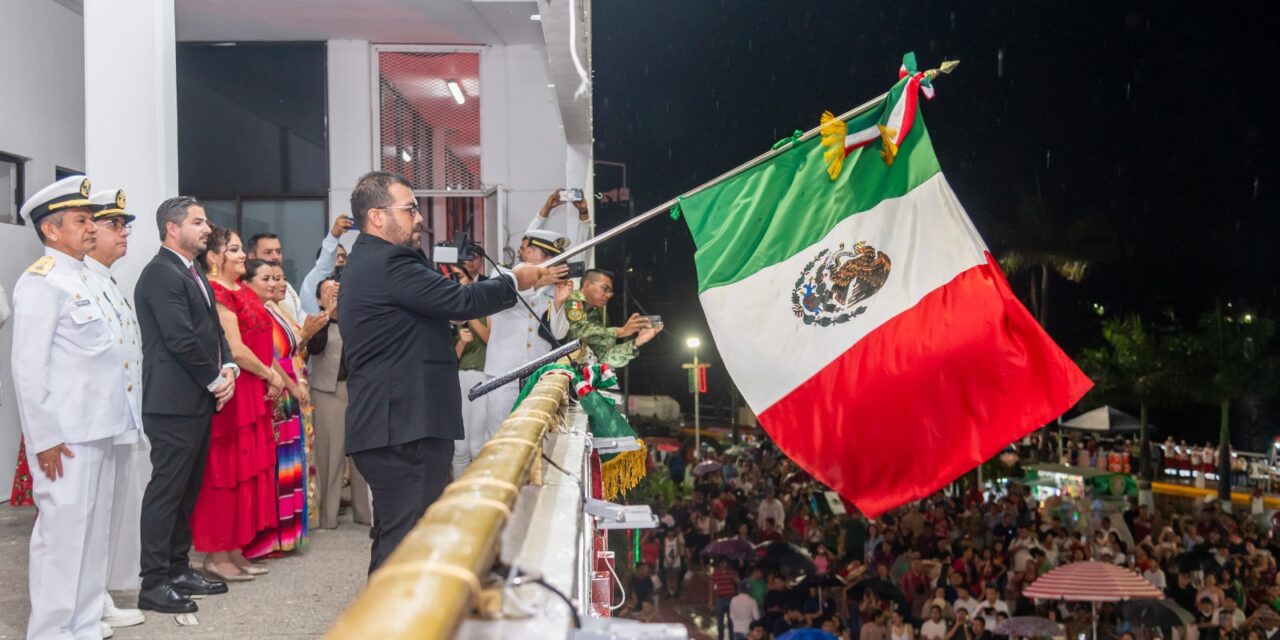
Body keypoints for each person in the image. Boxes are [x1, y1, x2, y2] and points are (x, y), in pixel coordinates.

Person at [338, 171, 563, 573]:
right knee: (407, 544)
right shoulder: (390, 261)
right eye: (409, 209)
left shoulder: (371, 260)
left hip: (396, 423)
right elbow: (460, 300)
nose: (419, 217)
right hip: (403, 427)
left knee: (399, 536)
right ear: (376, 216)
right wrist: (516, 279)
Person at [9, 176, 125, 640]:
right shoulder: (42, 282)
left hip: (100, 426)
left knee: (92, 535)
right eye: (81, 220)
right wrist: (45, 438)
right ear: (51, 230)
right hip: (67, 436)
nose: (92, 227)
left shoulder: (84, 278)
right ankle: (52, 630)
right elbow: (28, 368)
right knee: (61, 537)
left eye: (91, 219)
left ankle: (83, 622)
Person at [135, 195, 234, 614]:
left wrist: (228, 365)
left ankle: (178, 568)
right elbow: (180, 338)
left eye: (205, 221)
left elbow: (212, 329)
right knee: (167, 491)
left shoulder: (191, 271)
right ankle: (153, 581)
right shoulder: (161, 273)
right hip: (172, 402)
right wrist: (214, 380)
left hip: (195, 400)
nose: (207, 229)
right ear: (172, 228)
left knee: (187, 490)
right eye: (198, 222)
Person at [189, 227, 285, 580]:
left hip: (254, 389)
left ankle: (235, 548)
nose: (243, 254)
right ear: (214, 258)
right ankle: (217, 554)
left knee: (248, 473)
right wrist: (270, 375)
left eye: (241, 248)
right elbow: (237, 349)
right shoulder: (217, 293)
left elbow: (262, 343)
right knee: (226, 474)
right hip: (235, 393)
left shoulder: (243, 289)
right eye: (233, 249)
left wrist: (274, 376)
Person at [84, 189, 148, 630]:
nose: (123, 233)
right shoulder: (77, 282)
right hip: (90, 422)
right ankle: (82, 606)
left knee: (106, 515)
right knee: (85, 520)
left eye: (125, 226)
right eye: (114, 225)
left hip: (118, 419)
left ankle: (97, 596)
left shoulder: (106, 281)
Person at [245, 260, 311, 554]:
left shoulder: (273, 308)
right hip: (275, 388)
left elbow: (292, 350)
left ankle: (288, 534)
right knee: (276, 463)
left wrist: (299, 381)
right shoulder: (253, 312)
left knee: (289, 461)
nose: (274, 284)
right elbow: (269, 357)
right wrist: (292, 386)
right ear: (248, 283)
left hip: (289, 386)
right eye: (266, 278)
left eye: (277, 278)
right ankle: (271, 536)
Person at [307, 277, 371, 529]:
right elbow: (314, 347)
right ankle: (328, 516)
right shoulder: (315, 322)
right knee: (329, 455)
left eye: (338, 290)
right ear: (319, 299)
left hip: (358, 392)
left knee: (362, 453)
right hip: (327, 393)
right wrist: (327, 315)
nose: (334, 294)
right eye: (328, 291)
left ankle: (365, 512)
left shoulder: (356, 320)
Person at [563, 268, 661, 367]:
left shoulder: (594, 313)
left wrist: (636, 343)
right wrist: (622, 331)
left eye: (610, 292)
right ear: (587, 285)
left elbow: (603, 357)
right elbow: (579, 331)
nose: (609, 295)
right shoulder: (573, 298)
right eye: (605, 289)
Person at [450, 267, 492, 480]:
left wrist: (470, 312)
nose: (456, 281)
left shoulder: (485, 308)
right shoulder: (451, 311)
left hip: (482, 377)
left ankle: (479, 493)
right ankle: (460, 494)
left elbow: (490, 339)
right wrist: (461, 343)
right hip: (459, 377)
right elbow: (450, 358)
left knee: (477, 446)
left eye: (459, 277)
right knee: (460, 449)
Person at [299, 214, 353, 316]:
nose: (341, 260)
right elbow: (325, 264)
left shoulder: (347, 283)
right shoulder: (314, 279)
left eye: (343, 256)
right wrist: (334, 235)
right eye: (336, 256)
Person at [246, 232, 303, 322]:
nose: (276, 256)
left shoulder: (287, 288)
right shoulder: (248, 291)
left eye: (278, 252)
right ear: (252, 257)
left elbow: (302, 322)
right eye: (268, 252)